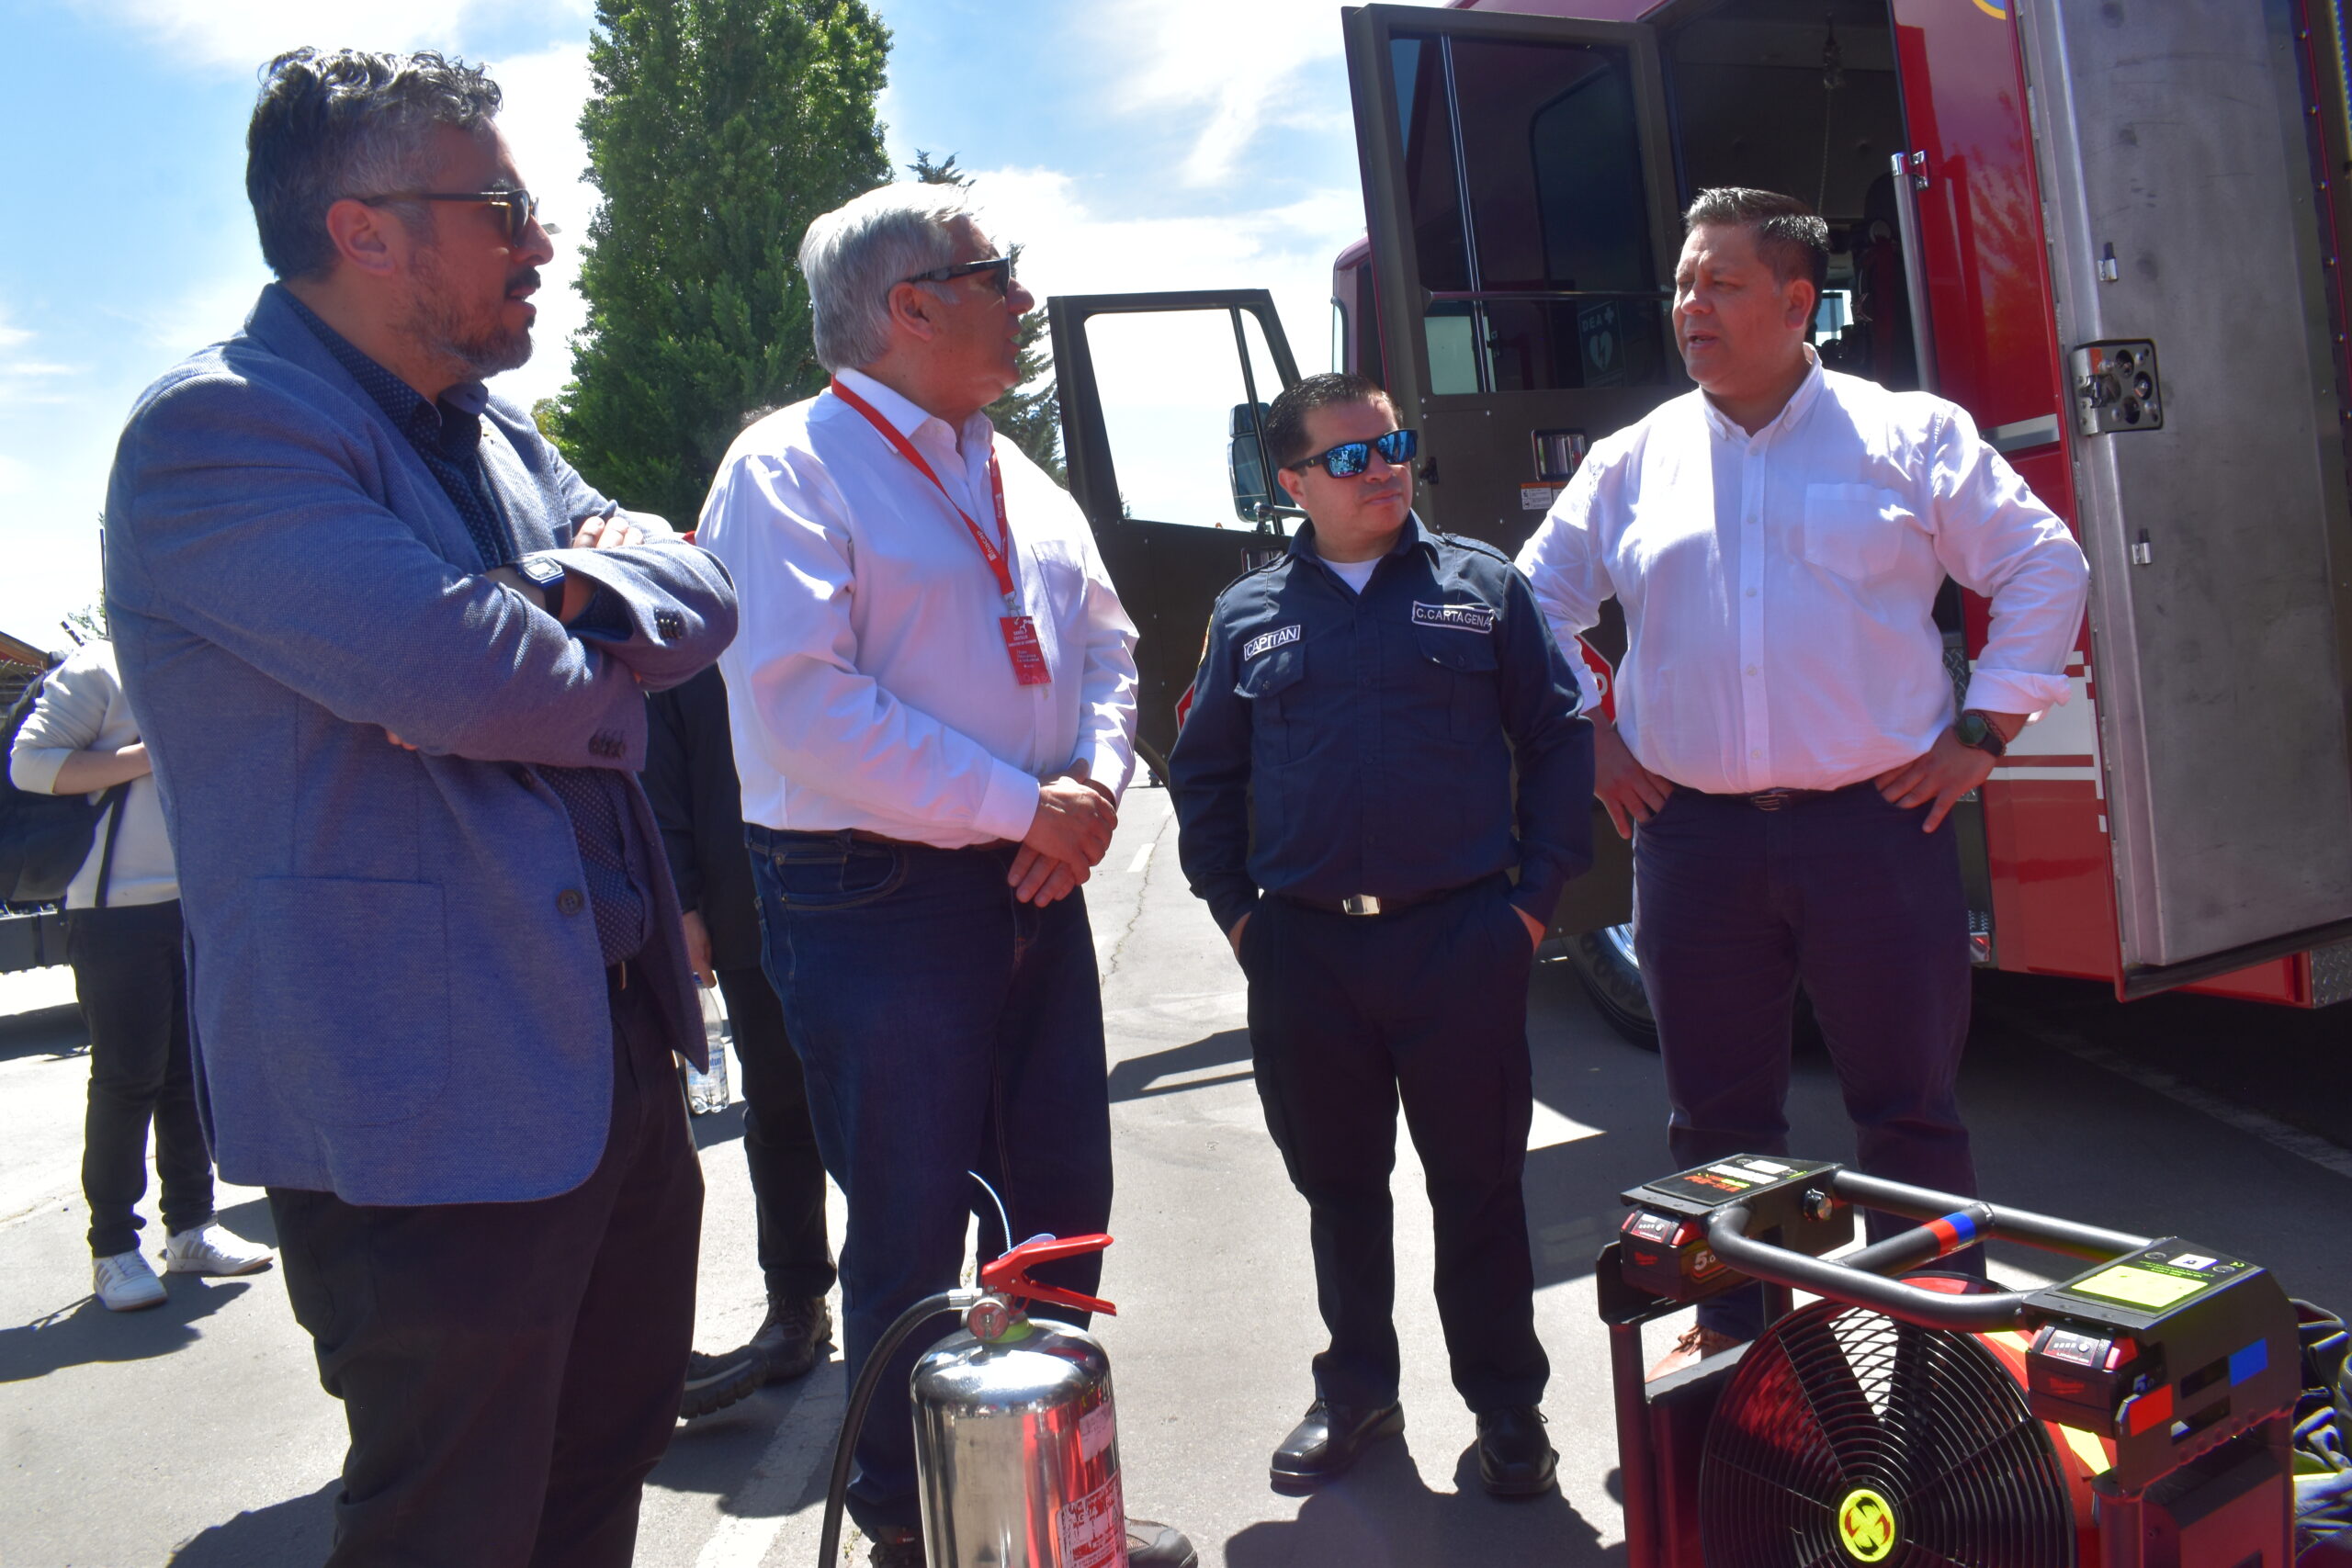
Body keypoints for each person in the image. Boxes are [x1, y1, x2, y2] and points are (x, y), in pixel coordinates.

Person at [102, 50, 738, 1567]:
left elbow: (705, 592)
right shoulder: (220, 433)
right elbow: (480, 678)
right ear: (364, 226)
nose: (541, 241)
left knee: (597, 1478)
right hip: (425, 1103)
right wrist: (560, 618)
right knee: (451, 1522)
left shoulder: (499, 432)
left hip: (611, 1061)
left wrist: (553, 595)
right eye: (504, 205)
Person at [697, 183, 1193, 1568]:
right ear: (907, 305)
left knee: (1057, 1203)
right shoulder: (787, 467)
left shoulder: (1009, 464)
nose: (1023, 299)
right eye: (999, 274)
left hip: (1029, 870)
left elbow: (1107, 642)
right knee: (913, 1217)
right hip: (876, 893)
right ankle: (916, 1520)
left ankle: (1048, 1495)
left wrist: (1086, 786)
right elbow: (802, 706)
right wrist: (1020, 805)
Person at [1514, 187, 2090, 1377]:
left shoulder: (1908, 436)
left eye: (1720, 283)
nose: (1690, 306)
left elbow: (2044, 563)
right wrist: (1594, 737)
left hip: (1876, 831)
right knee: (1719, 1121)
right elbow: (1531, 602)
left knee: (1908, 1108)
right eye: (1683, 283)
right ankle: (1742, 1342)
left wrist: (1986, 723)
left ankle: (1937, 1341)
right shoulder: (1635, 461)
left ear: (1794, 299)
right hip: (1694, 842)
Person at [1167, 372, 1595, 1496]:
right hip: (1304, 956)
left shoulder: (1480, 588)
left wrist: (1533, 906)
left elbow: (1557, 741)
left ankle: (1507, 1407)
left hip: (1460, 942)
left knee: (1479, 1187)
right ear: (1293, 479)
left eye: (1393, 444)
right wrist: (1237, 916)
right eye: (1350, 456)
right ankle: (1357, 1388)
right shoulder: (1249, 613)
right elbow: (1203, 772)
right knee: (1340, 1190)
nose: (1385, 469)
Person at [9, 637, 273, 1312]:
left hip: (192, 905)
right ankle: (113, 1249)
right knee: (128, 1078)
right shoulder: (100, 666)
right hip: (110, 912)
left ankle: (189, 1229)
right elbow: (30, 765)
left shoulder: (208, 665)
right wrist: (152, 752)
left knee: (188, 1075)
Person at [645, 664, 836, 1396]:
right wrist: (684, 904)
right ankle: (796, 1299)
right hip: (744, 903)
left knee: (893, 1104)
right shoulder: (691, 621)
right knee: (782, 1108)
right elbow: (661, 768)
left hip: (861, 894)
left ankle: (914, 1291)